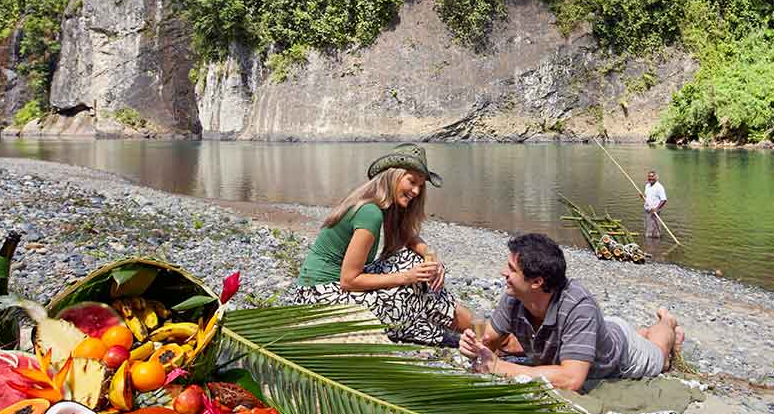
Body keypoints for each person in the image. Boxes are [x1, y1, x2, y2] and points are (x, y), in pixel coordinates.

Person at [284, 143, 472, 345]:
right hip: (319, 296)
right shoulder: (370, 213)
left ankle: (470, 330)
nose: (417, 191)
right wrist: (407, 277)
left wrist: (431, 256)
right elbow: (349, 280)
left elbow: (409, 237)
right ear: (393, 176)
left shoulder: (383, 206)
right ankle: (468, 332)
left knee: (415, 263)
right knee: (411, 284)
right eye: (412, 182)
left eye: (421, 186)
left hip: (326, 288)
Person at [459, 233, 685, 392]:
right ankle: (644, 331)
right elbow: (489, 338)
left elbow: (572, 379)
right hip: (592, 332)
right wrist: (474, 347)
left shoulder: (579, 306)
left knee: (661, 357)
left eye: (511, 269)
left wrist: (500, 367)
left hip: (621, 355)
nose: (503, 273)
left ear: (537, 282)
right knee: (624, 333)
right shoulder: (514, 297)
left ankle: (667, 322)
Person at [643, 170, 667, 238]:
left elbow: (664, 199)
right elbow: (647, 197)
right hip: (647, 211)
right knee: (648, 228)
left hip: (655, 212)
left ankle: (656, 242)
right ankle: (649, 244)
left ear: (656, 178)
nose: (650, 178)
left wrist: (656, 209)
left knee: (655, 230)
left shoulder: (659, 187)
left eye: (652, 176)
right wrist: (643, 196)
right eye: (649, 176)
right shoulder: (647, 186)